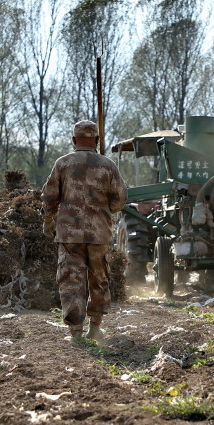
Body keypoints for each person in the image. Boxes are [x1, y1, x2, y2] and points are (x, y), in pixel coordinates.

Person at [41, 120, 127, 341]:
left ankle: (75, 332)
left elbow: (50, 197)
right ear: (96, 141)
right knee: (99, 278)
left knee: (71, 280)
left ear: (74, 140)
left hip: (69, 234)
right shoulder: (108, 165)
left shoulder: (63, 163)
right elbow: (119, 200)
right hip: (99, 233)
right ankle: (95, 328)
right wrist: (102, 209)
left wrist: (49, 220)